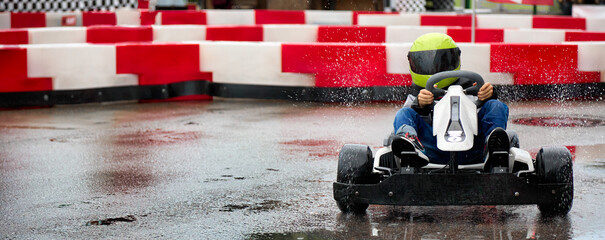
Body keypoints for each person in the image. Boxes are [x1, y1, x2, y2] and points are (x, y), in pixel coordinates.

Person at [392, 33, 510, 169]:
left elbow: (488, 112)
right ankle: (410, 146)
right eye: (425, 62)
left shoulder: (472, 87)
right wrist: (419, 106)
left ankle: (494, 146)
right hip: (429, 150)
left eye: (441, 62)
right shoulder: (417, 95)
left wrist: (488, 96)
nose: (434, 68)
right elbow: (407, 116)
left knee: (495, 106)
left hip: (474, 148)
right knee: (404, 113)